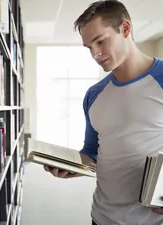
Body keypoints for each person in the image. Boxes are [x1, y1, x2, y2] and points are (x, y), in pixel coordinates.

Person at [44, 0, 163, 224]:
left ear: (125, 29)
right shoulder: (94, 94)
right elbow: (92, 153)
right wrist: (71, 166)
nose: (95, 54)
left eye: (100, 41)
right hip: (101, 218)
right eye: (89, 47)